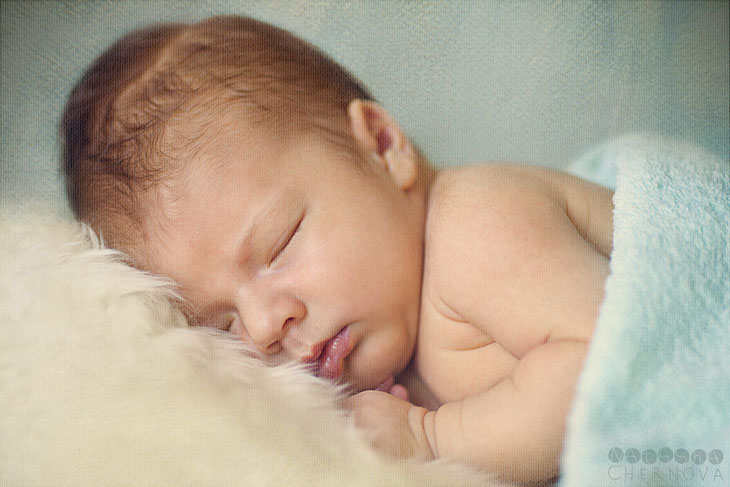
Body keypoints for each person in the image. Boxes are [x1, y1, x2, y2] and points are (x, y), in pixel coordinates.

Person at [61, 15, 613, 484]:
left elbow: (605, 362)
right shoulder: (392, 360)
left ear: (382, 145)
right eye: (224, 325)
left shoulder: (478, 222)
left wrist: (433, 437)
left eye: (278, 246)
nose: (263, 327)